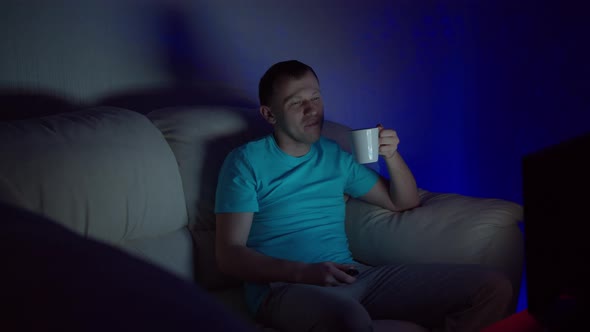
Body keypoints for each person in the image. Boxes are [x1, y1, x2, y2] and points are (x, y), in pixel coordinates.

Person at [214, 60, 512, 332]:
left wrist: (392, 156)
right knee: (350, 320)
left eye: (316, 98)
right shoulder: (245, 162)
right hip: (285, 288)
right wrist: (305, 272)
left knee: (493, 287)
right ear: (269, 114)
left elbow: (403, 201)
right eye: (297, 103)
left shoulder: (333, 155)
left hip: (355, 276)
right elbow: (229, 255)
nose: (312, 110)